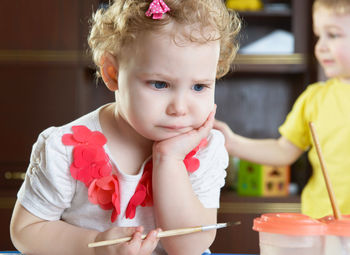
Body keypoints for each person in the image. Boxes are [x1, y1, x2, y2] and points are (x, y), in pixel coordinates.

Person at [10, 1, 241, 255]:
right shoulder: (64, 148)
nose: (180, 108)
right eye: (160, 84)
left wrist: (170, 159)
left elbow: (187, 247)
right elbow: (26, 230)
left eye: (199, 87)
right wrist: (98, 245)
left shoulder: (206, 149)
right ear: (112, 73)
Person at [215, 0, 350, 219]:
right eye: (319, 35)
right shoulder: (314, 98)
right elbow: (284, 151)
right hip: (321, 222)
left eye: (333, 35)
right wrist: (232, 143)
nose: (320, 46)